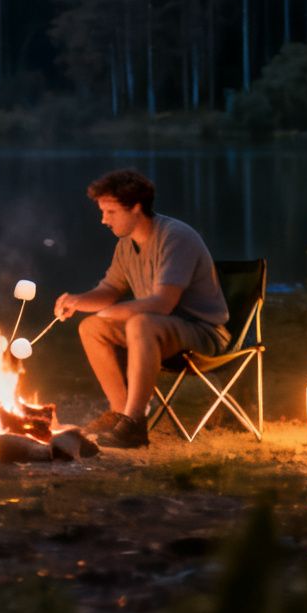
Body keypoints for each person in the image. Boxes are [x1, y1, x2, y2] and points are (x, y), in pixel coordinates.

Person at [51, 168, 230, 449]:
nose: (103, 220)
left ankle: (135, 423)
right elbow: (109, 290)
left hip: (202, 332)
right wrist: (78, 301)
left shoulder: (175, 237)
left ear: (135, 207)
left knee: (140, 323)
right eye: (102, 212)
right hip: (160, 331)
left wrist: (111, 313)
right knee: (92, 327)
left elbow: (163, 303)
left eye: (110, 212)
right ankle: (120, 413)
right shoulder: (126, 245)